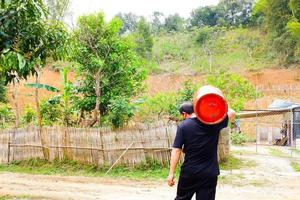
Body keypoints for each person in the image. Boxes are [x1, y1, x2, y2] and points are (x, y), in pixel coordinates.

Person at [167, 101, 229, 200]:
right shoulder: (212, 123)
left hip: (190, 172)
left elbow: (176, 150)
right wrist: (213, 104)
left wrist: (171, 174)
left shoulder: (183, 126)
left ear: (184, 114)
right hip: (209, 173)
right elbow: (232, 113)